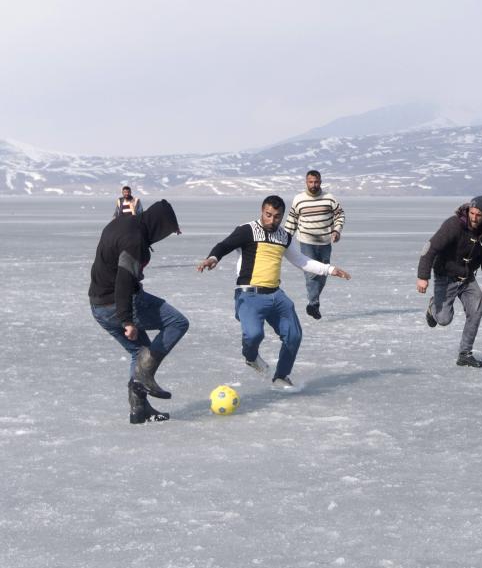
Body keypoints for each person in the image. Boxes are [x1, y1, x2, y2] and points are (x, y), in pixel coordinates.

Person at [197, 195, 351, 389]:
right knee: (253, 335)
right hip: (249, 295)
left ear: (282, 216)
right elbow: (224, 246)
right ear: (262, 211)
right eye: (268, 215)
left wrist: (330, 269)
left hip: (276, 295)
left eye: (277, 216)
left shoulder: (284, 236)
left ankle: (281, 375)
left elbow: (301, 260)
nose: (272, 220)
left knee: (294, 336)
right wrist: (213, 258)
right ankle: (251, 357)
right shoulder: (247, 230)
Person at [89, 199, 189, 424]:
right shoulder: (135, 241)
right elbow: (124, 280)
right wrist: (127, 320)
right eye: (164, 232)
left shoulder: (122, 222)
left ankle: (139, 410)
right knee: (177, 322)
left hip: (98, 305)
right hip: (118, 303)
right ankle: (144, 376)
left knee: (140, 352)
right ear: (157, 225)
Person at [417, 196, 482, 367]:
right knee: (444, 319)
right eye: (472, 213)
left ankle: (465, 353)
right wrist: (423, 276)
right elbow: (430, 248)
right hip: (445, 276)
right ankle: (433, 307)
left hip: (467, 278)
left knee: (475, 311)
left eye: (478, 215)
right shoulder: (454, 225)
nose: (474, 218)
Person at [283, 170, 346, 320]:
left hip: (325, 241)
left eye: (316, 182)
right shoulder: (299, 199)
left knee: (324, 272)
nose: (313, 185)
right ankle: (313, 304)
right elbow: (292, 220)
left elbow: (340, 215)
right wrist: (284, 239)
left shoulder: (329, 198)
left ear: (320, 182)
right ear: (306, 182)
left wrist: (336, 231)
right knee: (311, 273)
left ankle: (313, 302)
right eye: (310, 182)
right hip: (306, 241)